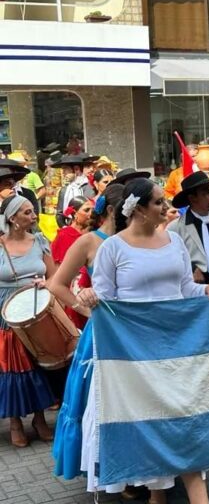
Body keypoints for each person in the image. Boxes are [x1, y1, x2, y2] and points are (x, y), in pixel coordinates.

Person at [75, 178, 209, 503]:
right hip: (136, 356)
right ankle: (158, 496)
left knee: (186, 424)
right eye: (158, 202)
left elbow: (187, 289)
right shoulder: (113, 248)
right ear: (139, 209)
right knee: (154, 429)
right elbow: (105, 299)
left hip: (179, 350)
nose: (166, 208)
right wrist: (88, 295)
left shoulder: (173, 242)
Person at [50, 184, 125, 481]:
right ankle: (105, 468)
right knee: (100, 401)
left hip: (134, 330)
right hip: (103, 332)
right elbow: (57, 284)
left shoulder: (132, 240)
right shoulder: (89, 242)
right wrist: (85, 308)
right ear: (111, 210)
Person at [0, 195, 56, 447]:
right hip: (5, 314)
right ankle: (14, 422)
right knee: (11, 367)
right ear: (12, 219)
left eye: (33, 211)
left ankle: (39, 417)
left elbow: (55, 277)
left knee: (37, 364)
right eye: (27, 213)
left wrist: (45, 283)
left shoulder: (40, 241)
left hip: (37, 311)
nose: (34, 216)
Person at [51, 197, 92, 267]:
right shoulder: (64, 235)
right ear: (75, 214)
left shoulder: (93, 233)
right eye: (87, 210)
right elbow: (59, 267)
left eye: (92, 210)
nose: (91, 214)